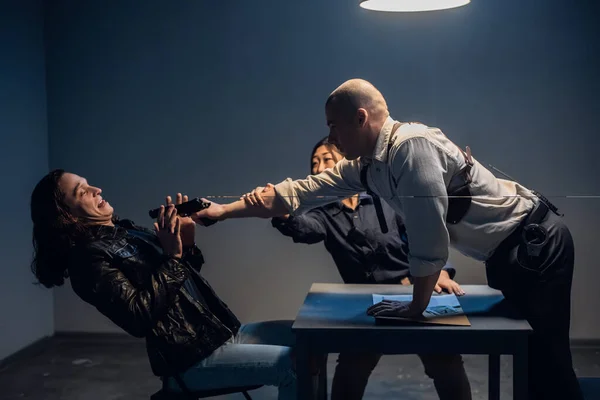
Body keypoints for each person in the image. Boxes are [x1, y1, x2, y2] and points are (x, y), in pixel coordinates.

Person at [190, 79, 583, 400]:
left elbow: (429, 236)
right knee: (534, 364)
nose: (330, 135)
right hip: (506, 253)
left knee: (547, 363)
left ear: (360, 118)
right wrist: (223, 212)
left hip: (536, 245)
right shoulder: (368, 167)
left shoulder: (411, 149)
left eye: (334, 125)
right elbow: (298, 193)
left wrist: (416, 307)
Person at [29, 169, 297, 399]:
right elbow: (138, 317)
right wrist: (173, 256)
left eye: (89, 183)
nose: (96, 189)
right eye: (82, 191)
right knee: (293, 365)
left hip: (220, 333)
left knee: (307, 336)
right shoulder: (87, 260)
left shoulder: (127, 230)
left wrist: (186, 244)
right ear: (68, 217)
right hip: (190, 360)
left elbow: (181, 281)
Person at [245, 136, 471, 400]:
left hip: (414, 289)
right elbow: (305, 229)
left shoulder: (385, 196)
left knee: (445, 362)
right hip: (364, 306)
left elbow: (424, 231)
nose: (318, 168)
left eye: (326, 160)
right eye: (314, 163)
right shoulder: (322, 213)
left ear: (346, 164)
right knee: (351, 370)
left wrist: (440, 272)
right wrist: (280, 211)